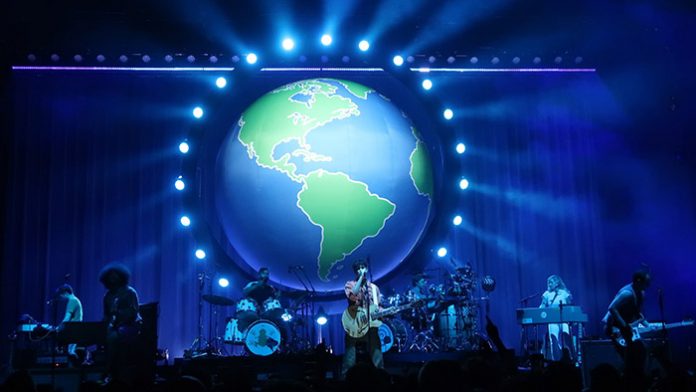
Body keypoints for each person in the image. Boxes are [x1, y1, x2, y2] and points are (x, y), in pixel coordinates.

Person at [99, 263, 142, 386]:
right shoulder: (107, 295)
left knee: (112, 338)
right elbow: (106, 315)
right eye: (110, 276)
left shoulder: (129, 292)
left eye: (115, 275)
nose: (113, 278)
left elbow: (134, 312)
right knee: (104, 336)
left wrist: (118, 313)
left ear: (121, 276)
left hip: (131, 325)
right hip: (116, 326)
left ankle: (107, 371)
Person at [342, 259, 384, 378]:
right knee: (350, 358)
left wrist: (384, 312)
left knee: (377, 354)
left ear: (366, 268)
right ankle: (345, 381)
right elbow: (353, 296)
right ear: (356, 271)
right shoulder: (350, 284)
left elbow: (377, 306)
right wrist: (360, 278)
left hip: (371, 326)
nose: (361, 269)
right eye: (358, 268)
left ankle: (380, 380)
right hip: (354, 324)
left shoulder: (374, 288)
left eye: (363, 267)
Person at [602, 269, 651, 342]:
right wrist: (624, 326)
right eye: (646, 282)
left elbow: (636, 312)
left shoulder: (641, 293)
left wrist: (648, 326)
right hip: (613, 328)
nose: (648, 285)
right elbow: (612, 308)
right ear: (638, 281)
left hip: (624, 329)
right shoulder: (627, 293)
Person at [539, 275, 573, 360]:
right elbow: (542, 306)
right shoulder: (546, 294)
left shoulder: (564, 293)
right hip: (552, 320)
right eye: (548, 282)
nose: (549, 284)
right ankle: (556, 361)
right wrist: (538, 312)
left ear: (557, 283)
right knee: (553, 341)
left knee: (566, 338)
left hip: (564, 319)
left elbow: (570, 306)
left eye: (551, 282)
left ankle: (571, 358)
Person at [54, 284, 83, 357]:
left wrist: (59, 327)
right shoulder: (75, 300)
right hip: (75, 330)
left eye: (61, 296)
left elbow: (67, 317)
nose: (61, 299)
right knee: (71, 352)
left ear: (66, 293)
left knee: (71, 352)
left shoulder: (72, 300)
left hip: (73, 330)